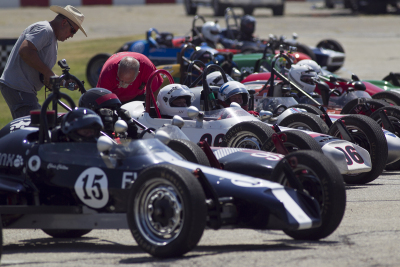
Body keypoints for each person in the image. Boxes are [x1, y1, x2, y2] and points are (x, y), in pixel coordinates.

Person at [0, 5, 87, 119]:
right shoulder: (45, 29)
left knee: (42, 125)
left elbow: (42, 74)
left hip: (21, 88)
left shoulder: (51, 35)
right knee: (36, 129)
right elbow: (25, 51)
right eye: (73, 31)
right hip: (19, 87)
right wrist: (47, 72)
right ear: (64, 22)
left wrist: (64, 83)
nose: (71, 35)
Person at [96, 52, 163, 105]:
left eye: (128, 82)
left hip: (138, 97)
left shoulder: (147, 68)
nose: (123, 85)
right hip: (113, 99)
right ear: (118, 68)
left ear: (138, 73)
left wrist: (148, 110)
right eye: (120, 80)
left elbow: (155, 91)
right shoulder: (108, 71)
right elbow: (103, 99)